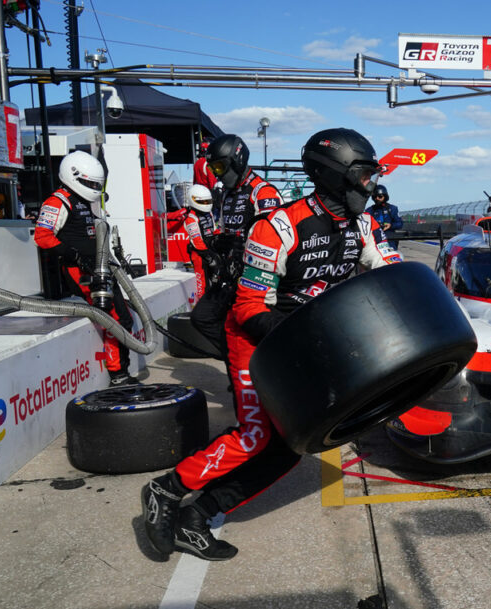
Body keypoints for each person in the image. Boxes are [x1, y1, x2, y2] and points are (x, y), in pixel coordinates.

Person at [140, 127, 399, 561]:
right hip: (255, 342)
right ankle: (165, 491)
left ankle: (197, 517)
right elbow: (247, 309)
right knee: (256, 435)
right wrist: (306, 339)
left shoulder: (365, 226)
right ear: (335, 174)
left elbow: (392, 275)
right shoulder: (278, 225)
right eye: (363, 174)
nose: (370, 184)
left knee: (289, 450)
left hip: (305, 342)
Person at [34, 151, 138, 386]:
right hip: (80, 271)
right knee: (111, 318)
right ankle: (118, 375)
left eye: (96, 184)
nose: (94, 188)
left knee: (124, 318)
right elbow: (42, 236)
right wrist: (75, 256)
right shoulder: (58, 201)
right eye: (90, 183)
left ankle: (124, 370)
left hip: (101, 265)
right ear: (74, 177)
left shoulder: (86, 201)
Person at [189, 134, 282, 362]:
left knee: (251, 328)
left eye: (220, 167)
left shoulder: (262, 192)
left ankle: (255, 364)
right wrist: (217, 243)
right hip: (230, 274)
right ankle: (238, 360)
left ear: (237, 160)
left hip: (255, 278)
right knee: (202, 317)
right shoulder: (227, 195)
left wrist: (246, 247)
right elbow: (223, 229)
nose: (218, 174)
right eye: (213, 169)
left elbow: (277, 238)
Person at [183, 184, 221, 300]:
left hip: (211, 250)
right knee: (202, 284)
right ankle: (201, 304)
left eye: (207, 201)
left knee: (217, 278)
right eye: (203, 202)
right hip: (199, 255)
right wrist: (208, 257)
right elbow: (196, 241)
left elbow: (214, 230)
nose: (206, 204)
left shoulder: (209, 214)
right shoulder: (191, 218)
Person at [365, 184, 404, 249]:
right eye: (375, 196)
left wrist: (390, 225)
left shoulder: (392, 209)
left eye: (380, 196)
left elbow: (400, 224)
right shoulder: (369, 210)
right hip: (374, 240)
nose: (377, 198)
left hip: (389, 240)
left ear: (385, 197)